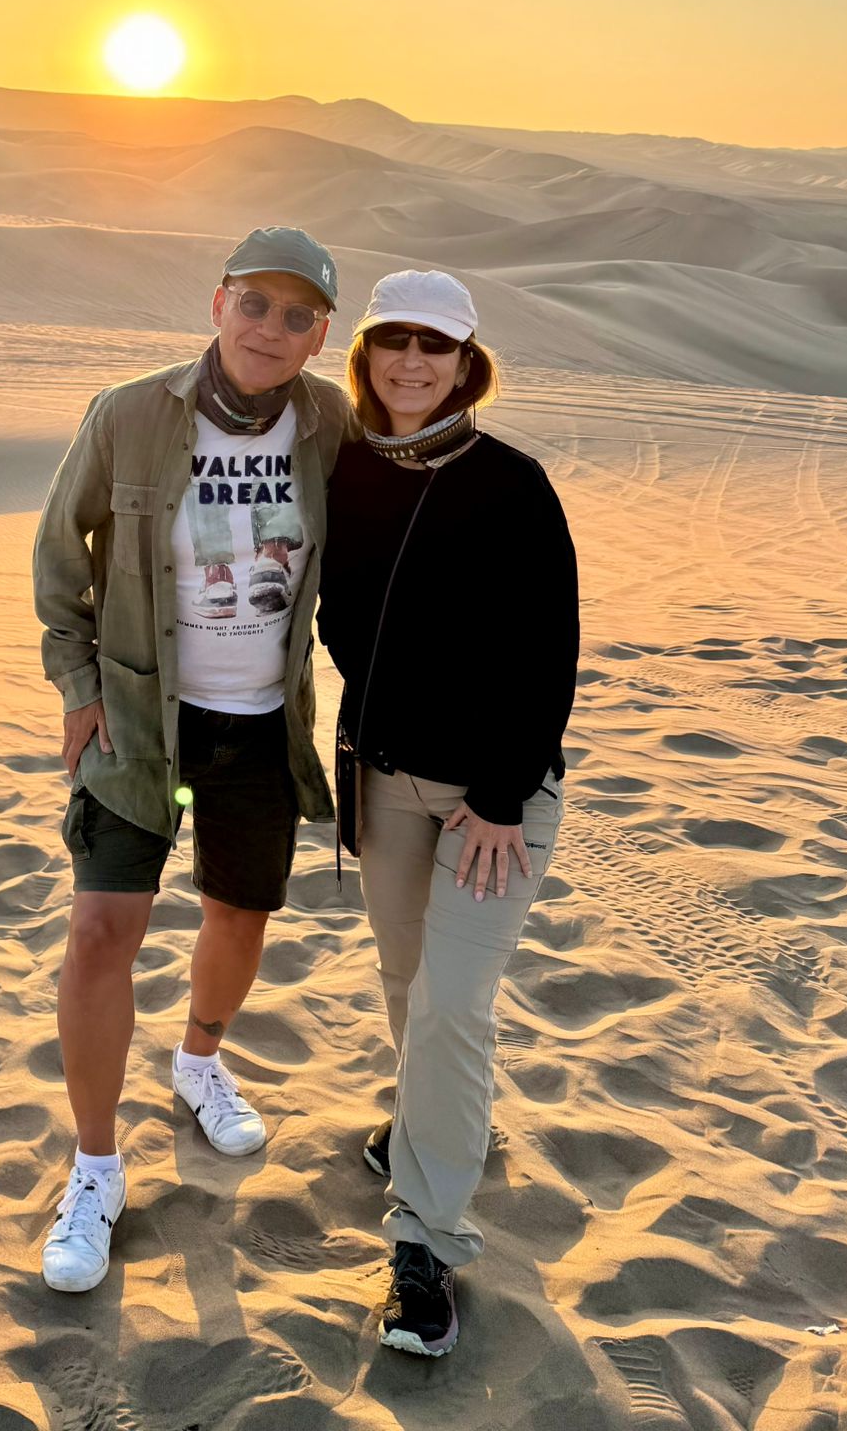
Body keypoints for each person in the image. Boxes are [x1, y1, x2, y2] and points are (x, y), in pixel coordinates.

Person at [32, 227, 353, 1292]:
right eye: (255, 303)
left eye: (298, 314)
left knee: (238, 913)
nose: (271, 328)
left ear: (321, 334)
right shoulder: (130, 415)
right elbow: (56, 552)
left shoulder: (331, 427)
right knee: (98, 931)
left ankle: (200, 1061)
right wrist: (77, 684)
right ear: (218, 302)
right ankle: (95, 1167)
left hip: (260, 723)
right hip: (137, 716)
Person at [318, 269, 579, 1357]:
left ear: (469, 361)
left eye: (437, 344)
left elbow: (547, 651)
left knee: (453, 1003)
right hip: (383, 783)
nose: (412, 361)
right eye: (393, 340)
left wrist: (499, 794)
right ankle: (428, 1129)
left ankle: (425, 1242)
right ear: (368, 354)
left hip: (494, 803)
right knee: (402, 984)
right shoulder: (345, 470)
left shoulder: (511, 483)